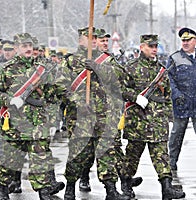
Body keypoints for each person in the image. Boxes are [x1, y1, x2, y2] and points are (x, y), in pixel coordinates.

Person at [0, 32, 64, 200]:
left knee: (40, 156)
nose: (28, 49)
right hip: (15, 121)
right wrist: (9, 100)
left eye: (30, 46)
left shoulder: (43, 69)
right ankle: (1, 188)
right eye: (24, 46)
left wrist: (50, 89)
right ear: (16, 48)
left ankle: (44, 191)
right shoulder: (7, 70)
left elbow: (53, 93)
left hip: (37, 121)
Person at [61, 27, 129, 200]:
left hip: (104, 116)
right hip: (80, 117)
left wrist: (98, 68)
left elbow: (121, 78)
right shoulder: (70, 61)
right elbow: (59, 86)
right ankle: (70, 187)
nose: (93, 40)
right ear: (80, 40)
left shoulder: (106, 60)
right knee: (79, 154)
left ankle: (111, 189)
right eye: (88, 37)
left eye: (95, 38)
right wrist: (77, 101)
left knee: (107, 153)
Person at [119, 34, 185, 200]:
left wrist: (169, 115)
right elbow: (119, 89)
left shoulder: (161, 69)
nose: (154, 49)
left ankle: (167, 189)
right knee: (132, 156)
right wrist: (135, 97)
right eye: (150, 46)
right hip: (138, 122)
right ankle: (126, 185)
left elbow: (167, 94)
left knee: (162, 156)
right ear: (142, 47)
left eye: (156, 46)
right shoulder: (130, 67)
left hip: (158, 121)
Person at [94, 28, 143, 193]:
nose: (105, 43)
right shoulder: (89, 60)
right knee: (87, 156)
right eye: (102, 41)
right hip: (94, 113)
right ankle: (75, 184)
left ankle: (124, 180)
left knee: (114, 147)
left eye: (107, 41)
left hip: (111, 111)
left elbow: (120, 83)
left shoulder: (110, 60)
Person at [167, 27, 196, 171]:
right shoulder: (175, 58)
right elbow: (169, 79)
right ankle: (171, 163)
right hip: (181, 102)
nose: (185, 43)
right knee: (176, 135)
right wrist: (176, 94)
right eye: (183, 40)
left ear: (195, 41)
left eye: (188, 40)